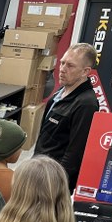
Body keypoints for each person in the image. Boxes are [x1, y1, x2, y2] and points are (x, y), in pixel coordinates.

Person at [35, 42, 100, 193]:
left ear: (85, 71)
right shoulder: (61, 92)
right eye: (63, 63)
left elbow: (75, 153)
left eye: (70, 66)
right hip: (39, 172)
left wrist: (55, 185)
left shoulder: (86, 104)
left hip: (52, 183)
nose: (62, 69)